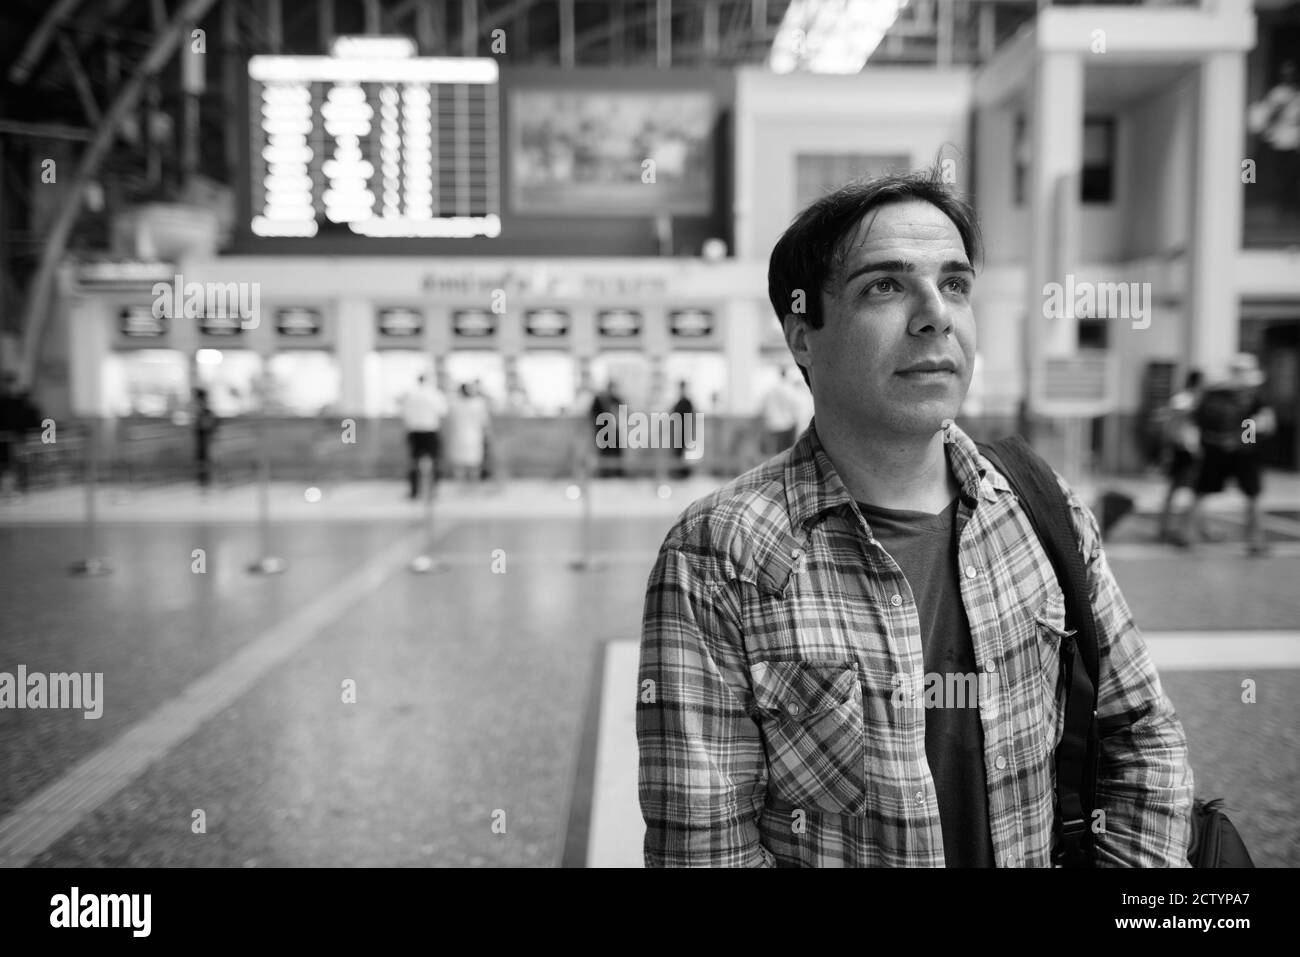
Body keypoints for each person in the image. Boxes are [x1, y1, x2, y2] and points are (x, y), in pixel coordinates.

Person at [637, 169, 1194, 868]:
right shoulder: (717, 555)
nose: (936, 314)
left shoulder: (1041, 508)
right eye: (885, 285)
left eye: (955, 284)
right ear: (802, 335)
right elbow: (706, 848)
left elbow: (1140, 734)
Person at [1178, 354, 1275, 555]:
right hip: (1243, 453)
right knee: (1253, 496)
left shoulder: (1214, 393)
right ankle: (1256, 541)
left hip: (1213, 450)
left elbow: (1195, 420)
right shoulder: (1253, 396)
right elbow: (1261, 424)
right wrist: (1245, 441)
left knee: (1200, 493)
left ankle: (1187, 535)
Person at [1155, 369, 1204, 543]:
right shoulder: (1184, 400)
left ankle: (1184, 528)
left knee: (1192, 491)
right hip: (1184, 450)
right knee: (1190, 491)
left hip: (1186, 449)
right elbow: (1170, 421)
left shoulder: (1186, 399)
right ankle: (1180, 530)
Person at [401, 374, 448, 500]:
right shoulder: (435, 394)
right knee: (435, 460)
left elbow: (405, 415)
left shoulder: (410, 395)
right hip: (430, 430)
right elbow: (442, 412)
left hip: (415, 431)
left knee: (414, 461)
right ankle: (433, 490)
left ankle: (414, 491)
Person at [444, 382, 492, 483]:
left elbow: (448, 421)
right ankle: (473, 486)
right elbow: (485, 423)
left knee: (461, 464)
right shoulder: (478, 403)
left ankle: (461, 485)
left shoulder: (455, 404)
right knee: (473, 464)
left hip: (461, 437)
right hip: (473, 437)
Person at [589, 380, 625, 478]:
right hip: (602, 431)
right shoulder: (599, 400)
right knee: (604, 452)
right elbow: (593, 415)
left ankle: (618, 473)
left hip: (615, 431)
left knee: (617, 452)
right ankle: (604, 473)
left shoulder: (616, 399)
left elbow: (624, 412)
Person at [668, 380, 695, 481]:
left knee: (683, 452)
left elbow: (690, 417)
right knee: (678, 452)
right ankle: (679, 472)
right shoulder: (679, 401)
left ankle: (683, 473)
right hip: (678, 430)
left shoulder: (686, 402)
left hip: (684, 430)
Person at [192, 388, 218, 490]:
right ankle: (203, 486)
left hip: (206, 445)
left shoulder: (206, 413)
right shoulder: (200, 413)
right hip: (201, 445)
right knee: (201, 466)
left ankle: (206, 486)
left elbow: (209, 427)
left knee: (205, 466)